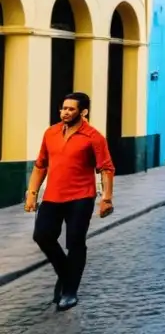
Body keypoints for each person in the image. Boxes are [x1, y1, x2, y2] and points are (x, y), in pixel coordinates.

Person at [25, 92, 114, 311]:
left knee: (75, 242)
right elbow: (40, 165)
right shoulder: (51, 132)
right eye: (63, 108)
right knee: (42, 236)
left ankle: (70, 291)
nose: (65, 112)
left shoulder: (94, 137)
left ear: (83, 112)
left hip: (81, 197)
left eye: (71, 109)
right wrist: (32, 193)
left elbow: (106, 168)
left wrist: (107, 199)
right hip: (53, 196)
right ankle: (66, 274)